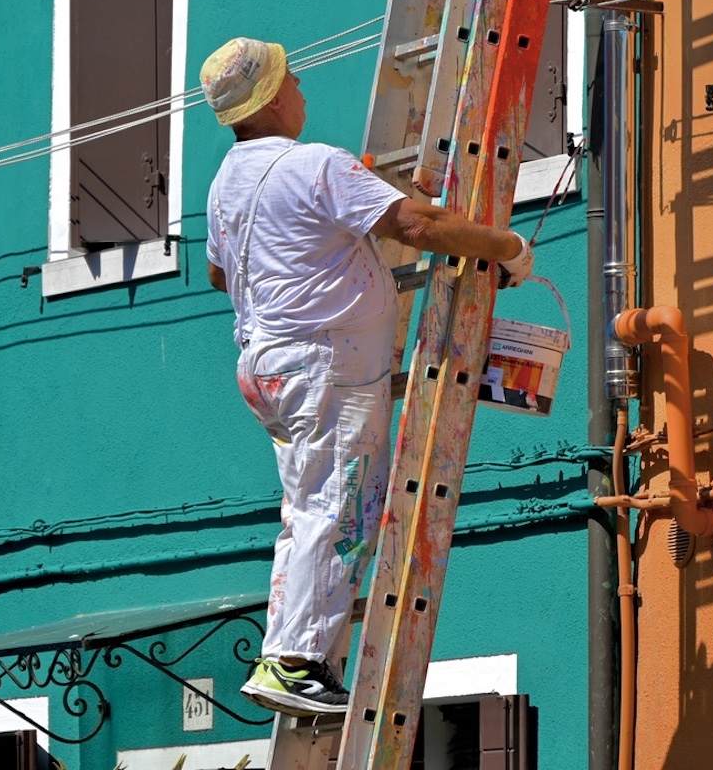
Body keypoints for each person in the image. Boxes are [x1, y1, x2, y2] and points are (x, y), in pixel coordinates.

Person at [200, 36, 534, 717]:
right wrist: (506, 247)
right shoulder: (313, 165)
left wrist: (331, 237)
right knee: (337, 507)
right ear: (269, 98)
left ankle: (289, 650)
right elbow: (418, 223)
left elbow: (218, 270)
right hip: (325, 364)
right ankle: (294, 663)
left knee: (306, 509)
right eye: (291, 81)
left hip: (266, 364)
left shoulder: (226, 181)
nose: (302, 90)